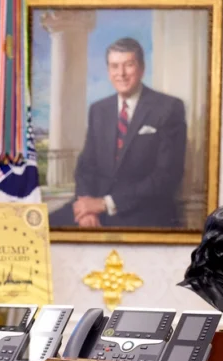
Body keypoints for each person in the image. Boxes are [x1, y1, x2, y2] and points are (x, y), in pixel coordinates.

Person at [49, 37, 187, 229]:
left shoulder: (168, 108)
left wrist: (105, 204)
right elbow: (86, 166)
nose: (121, 74)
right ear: (108, 71)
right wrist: (87, 207)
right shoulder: (99, 110)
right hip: (95, 207)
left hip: (143, 212)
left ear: (141, 68)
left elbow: (166, 176)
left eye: (128, 65)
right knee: (40, 229)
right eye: (114, 66)